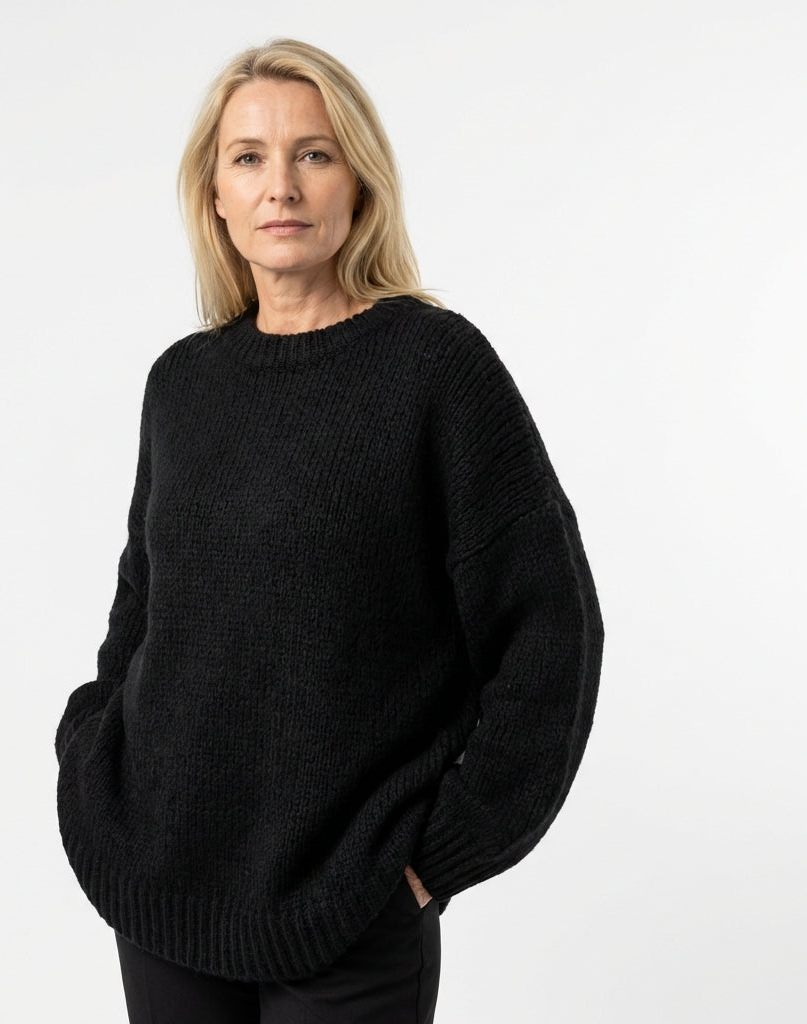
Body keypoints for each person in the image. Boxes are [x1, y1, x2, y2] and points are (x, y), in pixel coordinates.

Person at [55, 37, 604, 1024]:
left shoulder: (435, 369)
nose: (282, 186)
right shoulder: (182, 385)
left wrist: (438, 856)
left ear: (360, 180)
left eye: (314, 153)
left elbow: (549, 632)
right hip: (164, 889)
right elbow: (143, 610)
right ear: (216, 195)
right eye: (249, 157)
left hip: (350, 909)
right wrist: (91, 751)